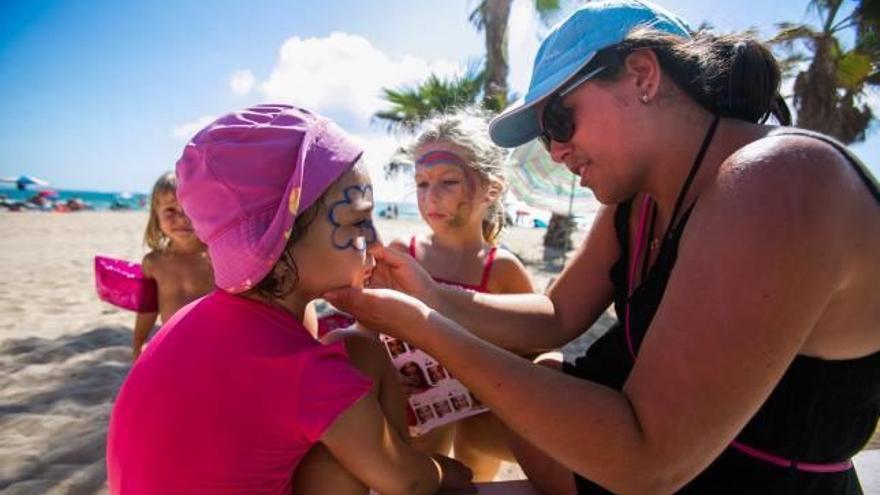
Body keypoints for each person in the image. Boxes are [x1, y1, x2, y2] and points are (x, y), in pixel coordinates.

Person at [323, 1, 880, 493]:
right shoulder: (636, 204)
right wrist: (432, 296)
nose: (558, 150)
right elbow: (556, 313)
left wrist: (427, 328)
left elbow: (645, 463)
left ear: (643, 75)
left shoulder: (777, 183)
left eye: (561, 121)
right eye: (547, 135)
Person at [106, 104, 473, 495]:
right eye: (358, 222)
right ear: (279, 248)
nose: (377, 243)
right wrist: (444, 472)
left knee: (357, 351)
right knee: (364, 448)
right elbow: (410, 481)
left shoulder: (196, 317)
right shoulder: (303, 369)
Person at [388, 109, 536, 481]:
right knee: (425, 472)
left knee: (472, 479)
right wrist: (384, 371)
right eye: (421, 184)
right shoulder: (399, 255)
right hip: (413, 413)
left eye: (449, 182)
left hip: (480, 415)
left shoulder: (503, 270)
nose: (431, 197)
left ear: (493, 188)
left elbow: (532, 348)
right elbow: (366, 332)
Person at [131, 172, 214, 360]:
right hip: (173, 347)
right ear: (156, 216)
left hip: (213, 348)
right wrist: (139, 344)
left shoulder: (217, 258)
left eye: (191, 209)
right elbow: (148, 309)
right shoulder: (153, 263)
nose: (182, 218)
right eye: (170, 210)